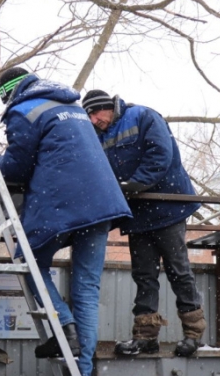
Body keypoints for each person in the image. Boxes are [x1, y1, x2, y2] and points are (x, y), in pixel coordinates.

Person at [0, 67, 132, 376]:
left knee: (30, 266)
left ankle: (64, 328)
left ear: (7, 92)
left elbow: (17, 165)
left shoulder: (23, 109)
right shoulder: (72, 107)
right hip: (101, 201)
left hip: (63, 201)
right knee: (86, 290)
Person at [82, 90, 206, 357]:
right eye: (89, 116)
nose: (93, 120)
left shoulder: (143, 116)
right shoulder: (98, 135)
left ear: (108, 107)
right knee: (144, 276)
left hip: (166, 206)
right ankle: (145, 337)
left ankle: (193, 335)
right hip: (138, 214)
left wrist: (133, 185)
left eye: (95, 114)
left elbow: (161, 155)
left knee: (178, 270)